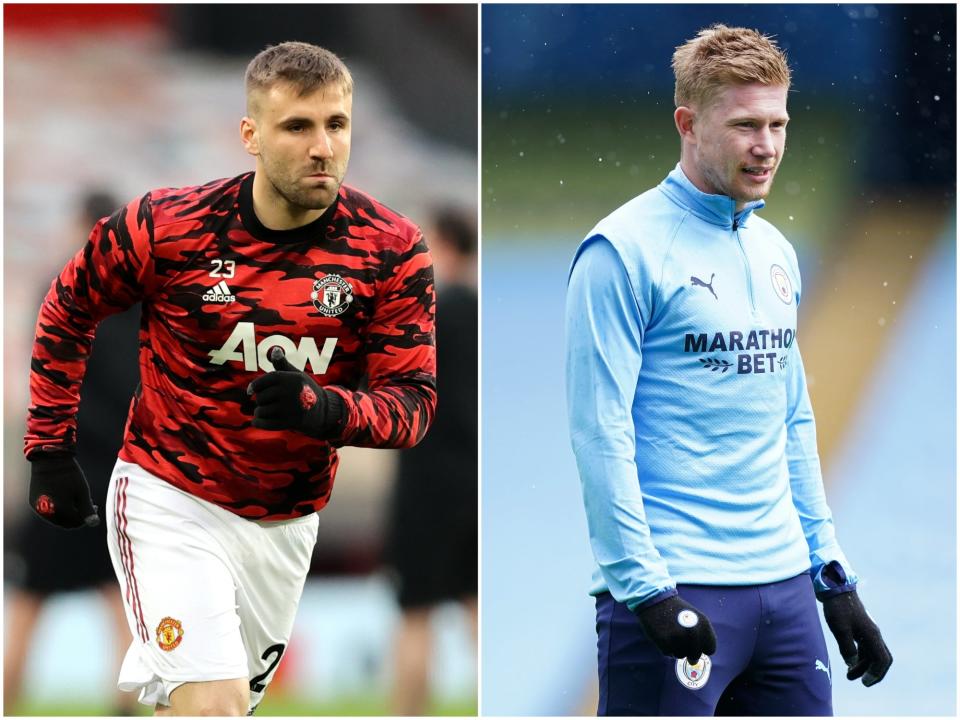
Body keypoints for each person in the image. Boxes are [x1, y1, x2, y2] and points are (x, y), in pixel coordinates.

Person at [23, 41, 436, 717]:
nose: (322, 147)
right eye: (297, 126)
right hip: (169, 494)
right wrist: (48, 449)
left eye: (336, 125)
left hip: (286, 520)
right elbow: (68, 308)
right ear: (250, 134)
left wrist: (324, 411)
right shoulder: (168, 226)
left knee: (211, 708)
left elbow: (413, 405)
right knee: (210, 706)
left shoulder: (389, 248)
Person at [564, 24, 891, 716]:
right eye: (745, 125)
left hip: (785, 592)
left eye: (778, 123)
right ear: (687, 123)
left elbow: (792, 419)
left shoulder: (775, 249)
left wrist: (833, 577)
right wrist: (646, 590)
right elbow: (600, 434)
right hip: (678, 589)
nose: (767, 145)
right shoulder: (620, 253)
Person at [5, 191, 141, 717]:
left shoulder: (60, 289)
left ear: (84, 226)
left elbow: (43, 382)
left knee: (27, 604)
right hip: (119, 474)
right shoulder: (137, 299)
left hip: (63, 469)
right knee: (123, 608)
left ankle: (7, 704)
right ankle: (125, 711)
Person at [384, 209, 477, 715]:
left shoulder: (418, 315)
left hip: (424, 484)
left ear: (440, 244)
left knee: (415, 615)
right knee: (479, 607)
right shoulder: (486, 312)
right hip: (477, 481)